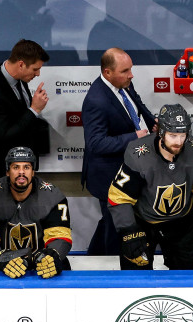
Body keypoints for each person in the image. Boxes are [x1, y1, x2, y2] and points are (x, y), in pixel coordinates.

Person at [108, 104, 193, 270]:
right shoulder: (138, 154)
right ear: (161, 132)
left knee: (187, 279)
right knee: (136, 277)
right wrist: (129, 231)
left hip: (182, 223)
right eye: (172, 135)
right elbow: (119, 197)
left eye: (183, 135)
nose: (179, 142)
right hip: (143, 222)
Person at [82, 47, 156, 256]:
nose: (131, 75)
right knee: (116, 222)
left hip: (126, 169)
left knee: (111, 219)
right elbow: (96, 143)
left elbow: (137, 105)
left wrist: (153, 124)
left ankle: (95, 256)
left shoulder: (123, 83)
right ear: (107, 73)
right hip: (108, 175)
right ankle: (111, 266)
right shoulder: (96, 101)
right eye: (125, 71)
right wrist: (135, 137)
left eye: (130, 69)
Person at [0, 147, 72, 279]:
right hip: (2, 263)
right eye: (16, 167)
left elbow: (60, 236)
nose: (21, 172)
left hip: (39, 262)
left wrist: (51, 255)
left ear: (33, 171)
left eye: (26, 167)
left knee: (60, 263)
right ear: (8, 171)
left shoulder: (53, 196)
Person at [0, 39, 50, 184]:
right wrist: (34, 109)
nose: (38, 74)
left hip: (18, 164)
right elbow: (4, 133)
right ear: (21, 64)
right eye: (35, 69)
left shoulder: (19, 78)